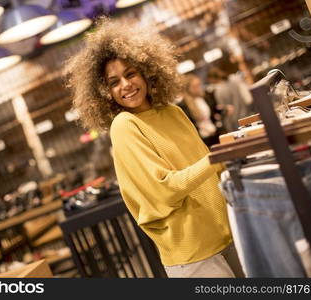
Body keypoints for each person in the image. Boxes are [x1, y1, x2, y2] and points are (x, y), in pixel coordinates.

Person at [65, 18, 243, 278]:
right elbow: (164, 190)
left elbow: (204, 164)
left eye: (130, 73)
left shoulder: (173, 112)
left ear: (146, 71)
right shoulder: (125, 125)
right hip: (193, 254)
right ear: (105, 92)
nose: (125, 85)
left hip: (228, 231)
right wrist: (220, 156)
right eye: (114, 82)